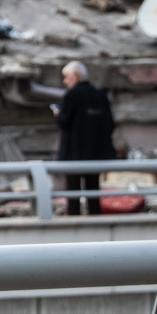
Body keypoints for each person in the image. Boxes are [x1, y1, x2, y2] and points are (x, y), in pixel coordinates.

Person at [53, 61, 116, 216]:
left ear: (75, 77)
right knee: (93, 189)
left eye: (66, 77)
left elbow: (64, 122)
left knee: (73, 191)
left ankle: (75, 221)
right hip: (95, 153)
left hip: (74, 155)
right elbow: (110, 124)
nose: (65, 81)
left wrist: (58, 115)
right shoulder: (100, 95)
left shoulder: (71, 95)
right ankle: (95, 219)